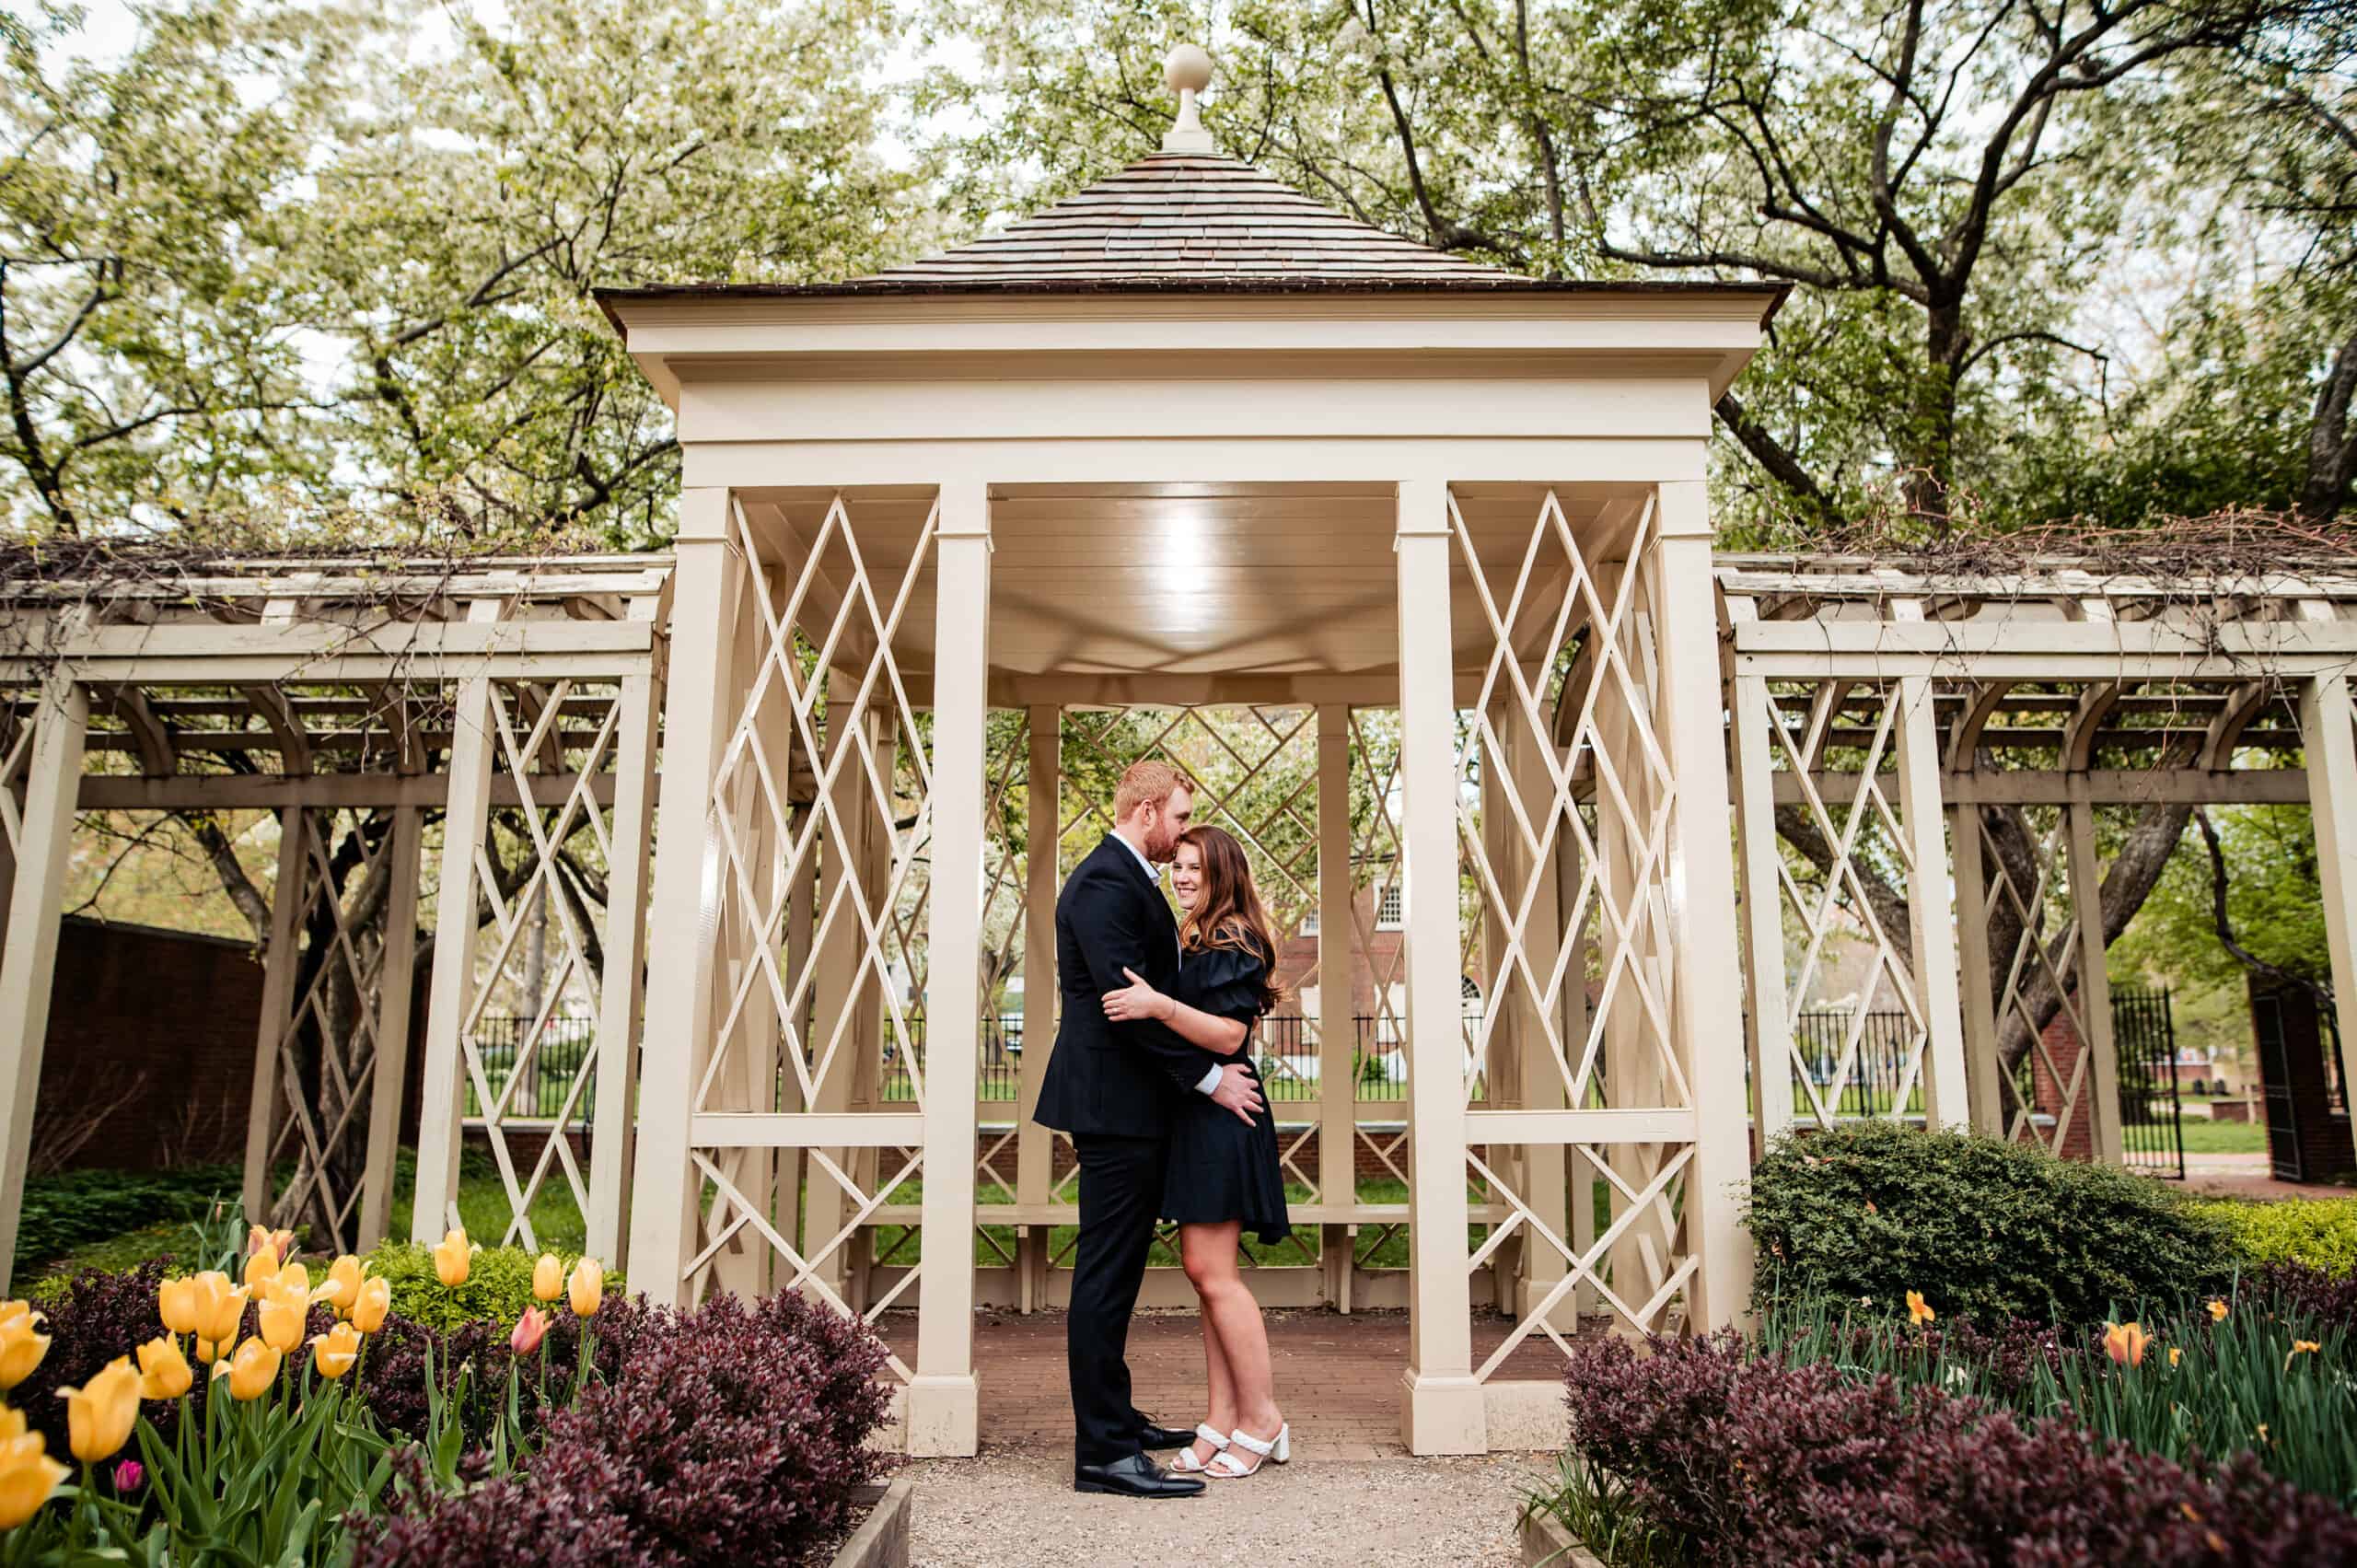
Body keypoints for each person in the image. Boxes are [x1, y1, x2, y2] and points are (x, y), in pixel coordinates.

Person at [1032, 760, 1267, 1499]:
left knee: (1119, 1272)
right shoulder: (1107, 883)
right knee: (1105, 1277)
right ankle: (1103, 1451)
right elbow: (1124, 1005)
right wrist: (1207, 1078)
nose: (1180, 832)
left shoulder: (1127, 878)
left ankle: (1118, 1420)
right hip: (1116, 1106)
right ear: (1147, 812)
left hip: (1133, 1107)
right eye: (1178, 817)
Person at [1100, 825, 1291, 1480]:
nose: (1182, 876)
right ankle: (1222, 1416)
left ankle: (1263, 1418)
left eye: (1194, 867)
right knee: (1203, 1273)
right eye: (1177, 865)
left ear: (1222, 874)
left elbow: (1230, 1031)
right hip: (1201, 1115)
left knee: (1215, 1273)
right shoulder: (1200, 935)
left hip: (1223, 1116)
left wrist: (1156, 1005)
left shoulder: (1235, 936)